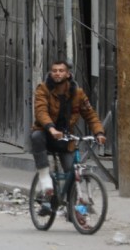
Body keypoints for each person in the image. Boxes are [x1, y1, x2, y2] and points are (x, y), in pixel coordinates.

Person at [32, 59, 106, 198]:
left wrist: (99, 132)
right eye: (54, 71)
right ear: (50, 73)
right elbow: (41, 111)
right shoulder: (43, 89)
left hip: (66, 137)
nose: (57, 74)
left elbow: (90, 115)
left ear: (68, 74)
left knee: (71, 174)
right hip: (47, 134)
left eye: (61, 71)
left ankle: (73, 209)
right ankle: (44, 179)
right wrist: (51, 129)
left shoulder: (78, 93)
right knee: (36, 136)